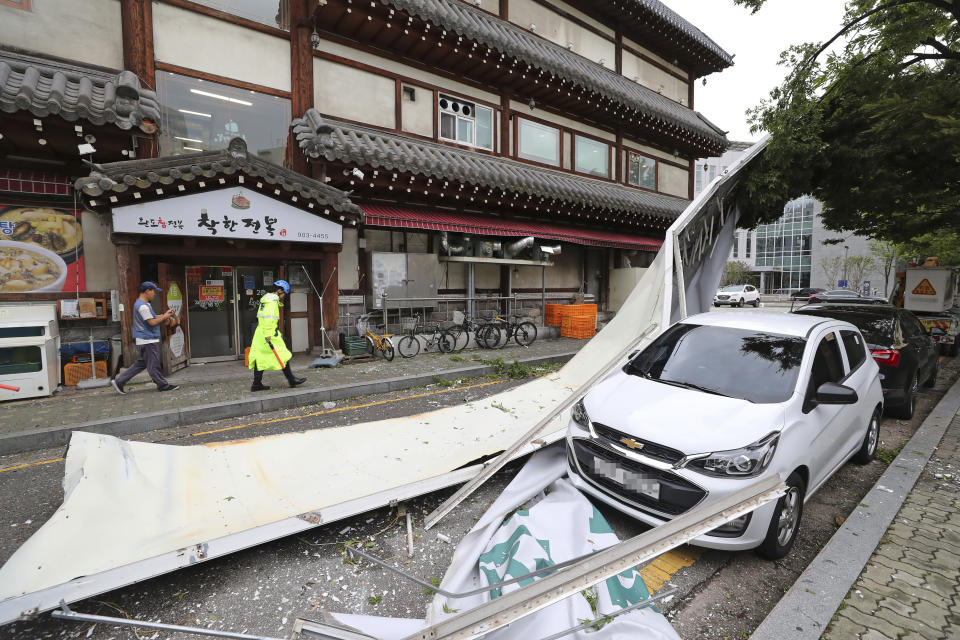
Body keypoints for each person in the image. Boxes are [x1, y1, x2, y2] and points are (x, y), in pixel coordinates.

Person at [111, 282, 180, 394]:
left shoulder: (143, 304)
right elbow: (152, 322)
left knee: (141, 363)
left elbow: (151, 317)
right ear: (147, 291)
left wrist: (164, 314)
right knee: (154, 365)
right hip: (148, 340)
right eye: (154, 291)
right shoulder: (143, 306)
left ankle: (120, 381)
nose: (155, 294)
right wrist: (165, 317)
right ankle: (162, 385)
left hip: (145, 339)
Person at [248, 279, 306, 391]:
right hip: (269, 334)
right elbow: (269, 318)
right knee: (283, 355)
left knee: (260, 358)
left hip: (261, 333)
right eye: (284, 294)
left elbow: (261, 317)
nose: (284, 296)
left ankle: (256, 384)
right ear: (279, 291)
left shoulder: (266, 299)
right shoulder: (272, 301)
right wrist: (269, 335)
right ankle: (291, 379)